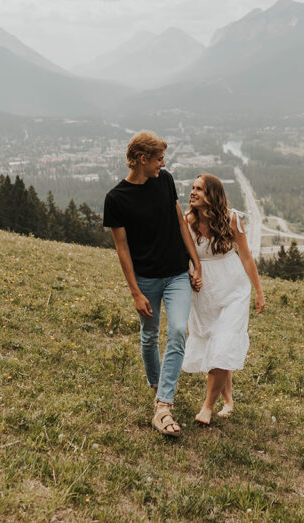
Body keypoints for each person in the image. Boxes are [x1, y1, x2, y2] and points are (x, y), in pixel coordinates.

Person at [103, 131, 203, 436]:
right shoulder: (116, 199)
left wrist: (195, 262)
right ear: (142, 159)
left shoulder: (166, 180)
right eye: (158, 158)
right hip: (145, 280)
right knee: (149, 336)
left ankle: (163, 405)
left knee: (176, 331)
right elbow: (122, 250)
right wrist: (135, 292)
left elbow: (180, 223)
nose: (163, 163)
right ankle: (158, 385)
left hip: (176, 274)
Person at [181, 173, 266, 425]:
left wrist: (259, 292)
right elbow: (180, 255)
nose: (193, 192)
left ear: (213, 195)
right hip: (204, 291)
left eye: (200, 189)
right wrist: (190, 274)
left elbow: (247, 257)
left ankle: (207, 407)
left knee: (225, 340)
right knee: (216, 344)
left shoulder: (231, 219)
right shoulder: (186, 221)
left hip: (233, 289)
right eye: (193, 188)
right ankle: (228, 401)